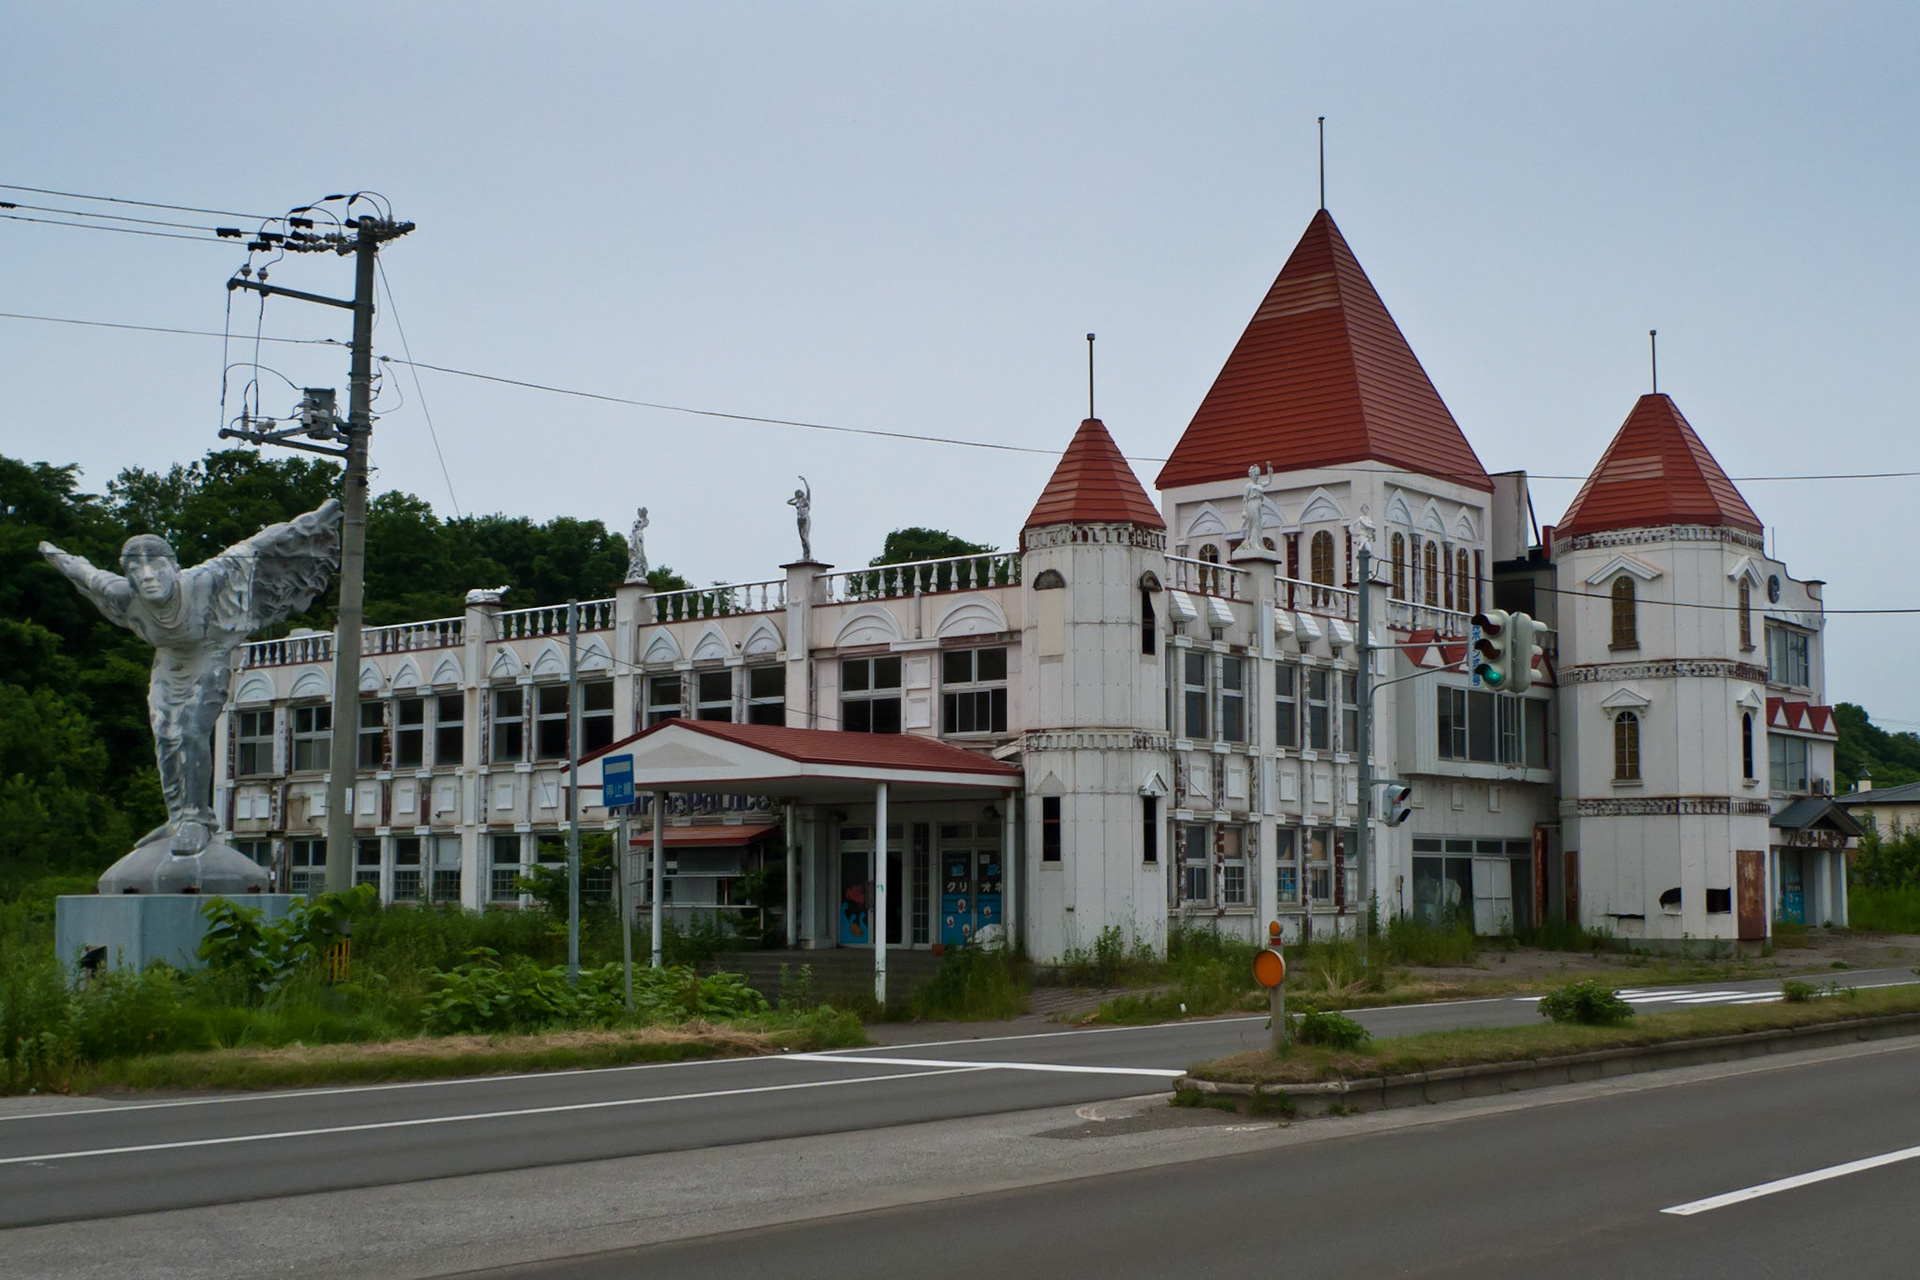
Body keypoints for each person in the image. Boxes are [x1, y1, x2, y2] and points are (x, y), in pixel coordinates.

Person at [40, 500, 342, 854]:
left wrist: (311, 522)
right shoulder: (121, 595)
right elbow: (81, 570)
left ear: (175, 567)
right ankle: (177, 817)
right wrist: (52, 552)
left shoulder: (202, 579)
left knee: (190, 728)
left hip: (209, 650)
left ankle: (197, 818)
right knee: (165, 734)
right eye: (137, 570)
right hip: (170, 658)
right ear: (129, 578)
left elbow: (255, 546)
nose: (148, 576)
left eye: (157, 567)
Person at [787, 476, 813, 561]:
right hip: (799, 519)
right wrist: (796, 498)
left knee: (805, 537)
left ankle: (809, 554)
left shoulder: (806, 501)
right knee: (802, 538)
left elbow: (808, 489)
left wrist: (804, 480)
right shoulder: (798, 502)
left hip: (805, 519)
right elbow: (788, 502)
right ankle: (804, 554)